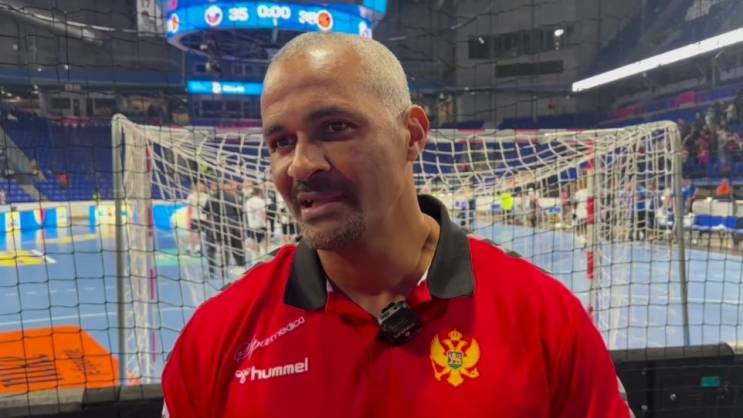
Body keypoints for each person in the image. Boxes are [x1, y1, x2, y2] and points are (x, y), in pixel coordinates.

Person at [162, 33, 631, 418]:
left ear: (413, 134)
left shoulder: (543, 316)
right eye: (281, 142)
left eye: (335, 128)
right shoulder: (217, 335)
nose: (301, 164)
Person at [244, 186, 268, 257]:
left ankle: (255, 258)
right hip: (261, 225)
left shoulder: (248, 201)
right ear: (260, 192)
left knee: (253, 244)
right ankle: (263, 257)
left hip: (251, 225)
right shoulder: (261, 201)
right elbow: (263, 213)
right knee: (262, 244)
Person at [185, 182, 208, 255]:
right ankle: (189, 248)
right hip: (194, 217)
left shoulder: (206, 196)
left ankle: (198, 249)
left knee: (199, 234)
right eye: (199, 186)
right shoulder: (191, 196)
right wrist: (189, 218)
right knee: (192, 233)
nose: (201, 188)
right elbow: (189, 208)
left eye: (202, 186)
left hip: (203, 218)